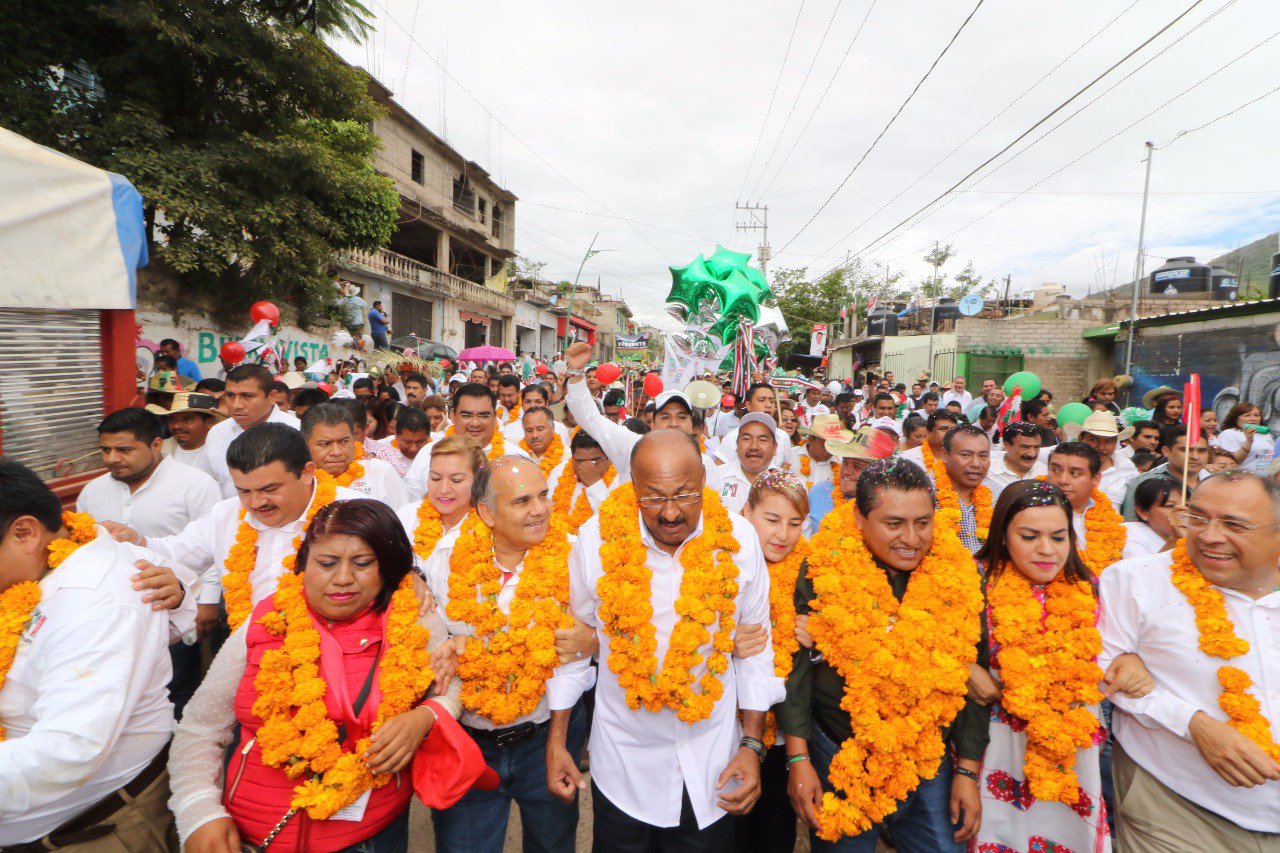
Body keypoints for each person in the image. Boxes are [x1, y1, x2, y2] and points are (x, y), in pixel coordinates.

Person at [170, 499, 463, 853]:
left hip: (371, 834)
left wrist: (426, 717)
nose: (342, 578)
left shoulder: (415, 620)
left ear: (387, 568)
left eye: (362, 563)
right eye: (327, 563)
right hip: (256, 835)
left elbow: (453, 686)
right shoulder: (264, 622)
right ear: (304, 562)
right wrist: (199, 811)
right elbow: (200, 729)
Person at [547, 431, 783, 851]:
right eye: (654, 498)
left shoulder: (741, 540)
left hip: (712, 764)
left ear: (705, 481)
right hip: (623, 764)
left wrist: (750, 744)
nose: (671, 513)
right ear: (632, 487)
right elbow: (572, 647)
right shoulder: (595, 540)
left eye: (686, 495)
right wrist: (558, 741)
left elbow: (756, 653)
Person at [779, 459, 987, 850]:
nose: (911, 538)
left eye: (923, 523)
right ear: (858, 518)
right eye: (894, 524)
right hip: (842, 750)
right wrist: (797, 759)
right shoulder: (821, 568)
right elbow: (796, 670)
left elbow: (971, 679)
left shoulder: (958, 574)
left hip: (928, 756)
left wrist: (968, 772)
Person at [0, 458, 196, 850]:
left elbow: (67, 751)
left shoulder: (96, 601)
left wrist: (183, 589)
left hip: (88, 832)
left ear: (25, 533)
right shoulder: (48, 563)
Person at [1099, 470, 1280, 850]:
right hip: (1175, 804)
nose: (1210, 535)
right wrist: (1195, 725)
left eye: (1234, 525)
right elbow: (1103, 667)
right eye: (1197, 518)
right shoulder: (1136, 580)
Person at [971, 480, 1151, 852]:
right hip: (994, 749)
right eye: (1029, 535)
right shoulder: (973, 586)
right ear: (1003, 535)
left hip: (1072, 750)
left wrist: (1131, 658)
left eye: (1058, 536)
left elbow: (1128, 648)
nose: (1046, 550)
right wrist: (963, 668)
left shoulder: (1093, 589)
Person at [428, 458, 587, 852]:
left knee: (552, 844)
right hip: (468, 741)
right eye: (522, 501)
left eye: (544, 496)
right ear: (486, 512)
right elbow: (430, 638)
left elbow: (582, 651)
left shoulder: (574, 555)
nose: (540, 510)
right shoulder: (446, 559)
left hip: (548, 734)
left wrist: (595, 639)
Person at [109, 423, 362, 642]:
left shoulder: (355, 513)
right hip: (248, 649)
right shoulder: (225, 514)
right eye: (244, 491)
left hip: (335, 654)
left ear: (306, 473)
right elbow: (177, 553)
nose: (256, 503)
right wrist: (137, 541)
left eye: (270, 489)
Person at [732, 470, 810, 853]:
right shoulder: (720, 563)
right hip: (729, 730)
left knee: (775, 833)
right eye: (772, 520)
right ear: (746, 513)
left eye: (794, 523)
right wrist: (723, 641)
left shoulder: (815, 571)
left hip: (785, 732)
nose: (783, 535)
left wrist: (823, 634)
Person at [564, 342, 721, 487]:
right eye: (665, 417)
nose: (674, 423)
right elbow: (589, 418)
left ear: (690, 424)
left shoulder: (705, 464)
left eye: (682, 417)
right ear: (652, 423)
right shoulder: (632, 446)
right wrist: (576, 372)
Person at [203, 364, 301, 498]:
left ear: (272, 397)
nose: (236, 405)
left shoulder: (298, 432)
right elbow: (210, 486)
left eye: (247, 395)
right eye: (230, 395)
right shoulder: (217, 432)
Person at [404, 384, 507, 498]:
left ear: (495, 417)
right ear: (452, 415)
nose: (475, 423)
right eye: (466, 415)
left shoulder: (513, 456)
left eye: (483, 416)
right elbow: (412, 498)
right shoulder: (429, 452)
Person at [301, 402, 411, 508]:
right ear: (305, 444)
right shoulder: (296, 481)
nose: (336, 452)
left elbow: (403, 522)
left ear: (354, 440)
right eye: (325, 444)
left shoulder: (380, 473)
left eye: (344, 441)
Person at [1044, 442, 1127, 574]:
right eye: (1055, 470)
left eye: (1074, 473)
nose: (1063, 480)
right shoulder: (1030, 511)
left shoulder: (1107, 517)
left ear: (1095, 479)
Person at [806, 426, 897, 534]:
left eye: (857, 466)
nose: (846, 471)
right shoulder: (818, 491)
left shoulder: (889, 503)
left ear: (878, 472)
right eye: (845, 462)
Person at [1120, 425, 1209, 520]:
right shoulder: (1145, 483)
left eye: (1201, 451)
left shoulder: (1214, 483)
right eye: (1186, 450)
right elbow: (1131, 526)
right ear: (1166, 451)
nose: (1195, 456)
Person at [934, 424, 994, 555]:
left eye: (983, 456)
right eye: (966, 455)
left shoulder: (997, 494)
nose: (976, 464)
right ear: (944, 455)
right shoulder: (924, 492)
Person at [1067, 410, 1140, 507]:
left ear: (1115, 443)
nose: (1101, 447)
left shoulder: (1127, 468)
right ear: (1081, 439)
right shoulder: (1065, 464)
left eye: (1108, 441)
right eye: (1093, 439)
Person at [715, 383, 793, 469]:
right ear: (748, 405)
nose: (768, 405)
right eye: (762, 400)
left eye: (772, 401)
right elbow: (719, 471)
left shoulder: (783, 437)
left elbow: (786, 468)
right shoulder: (732, 438)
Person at [717, 413, 779, 514]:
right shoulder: (716, 477)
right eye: (746, 439)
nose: (754, 446)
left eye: (762, 440)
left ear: (775, 448)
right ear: (736, 445)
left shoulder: (788, 484)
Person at [148, 391, 225, 473]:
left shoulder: (222, 453)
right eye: (172, 419)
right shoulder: (158, 450)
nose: (177, 426)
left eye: (187, 420)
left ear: (209, 422)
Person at [1121, 477, 1184, 559]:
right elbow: (1141, 570)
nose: (1182, 512)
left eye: (1187, 505)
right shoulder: (1130, 535)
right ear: (1142, 512)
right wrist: (1175, 540)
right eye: (1170, 506)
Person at [983, 420, 1044, 500]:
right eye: (1024, 447)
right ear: (1006, 445)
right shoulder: (988, 473)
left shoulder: (1045, 471)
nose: (1032, 454)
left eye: (1036, 447)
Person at [789, 414, 847, 492]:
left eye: (832, 446)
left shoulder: (840, 463)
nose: (829, 450)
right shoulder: (790, 456)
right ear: (811, 439)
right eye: (824, 445)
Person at [1215, 402, 1275, 474]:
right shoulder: (1229, 433)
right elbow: (1232, 462)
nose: (1253, 419)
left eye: (1256, 415)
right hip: (1243, 479)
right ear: (1236, 418)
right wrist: (1249, 441)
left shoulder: (1266, 435)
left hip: (1265, 480)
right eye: (1247, 415)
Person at [517, 406, 566, 475]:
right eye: (529, 430)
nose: (534, 435)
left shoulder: (566, 456)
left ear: (553, 428)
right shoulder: (516, 453)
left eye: (540, 429)